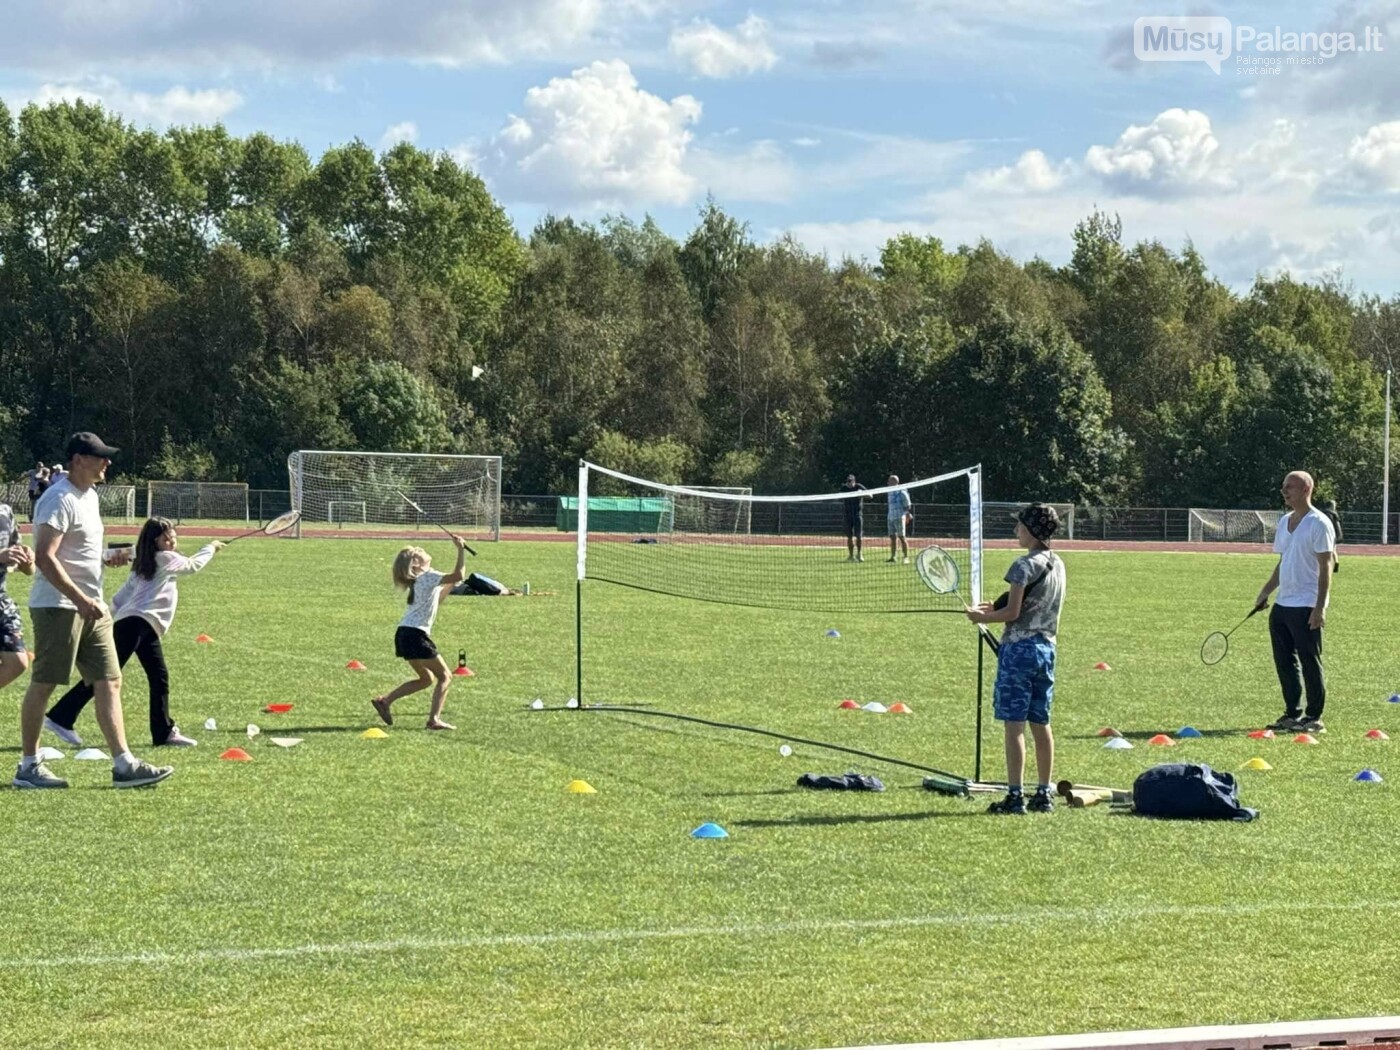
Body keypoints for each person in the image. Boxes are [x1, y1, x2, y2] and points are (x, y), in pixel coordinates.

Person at [12, 432, 172, 789]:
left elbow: (75, 553)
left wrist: (104, 559)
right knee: (45, 682)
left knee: (110, 680)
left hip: (91, 607)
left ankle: (124, 764)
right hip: (59, 606)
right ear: (78, 459)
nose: (107, 463)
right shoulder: (58, 499)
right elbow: (45, 558)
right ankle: (27, 766)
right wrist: (80, 600)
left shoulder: (90, 497)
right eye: (99, 456)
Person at [45, 518, 223, 748]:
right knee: (107, 676)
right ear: (154, 541)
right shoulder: (165, 558)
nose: (171, 541)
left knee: (157, 677)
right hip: (137, 626)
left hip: (138, 626)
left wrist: (108, 613)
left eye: (173, 536)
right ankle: (60, 717)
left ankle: (163, 733)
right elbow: (192, 565)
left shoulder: (145, 564)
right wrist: (211, 547)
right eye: (165, 538)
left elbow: (122, 597)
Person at [966, 503, 1066, 815]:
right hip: (1046, 650)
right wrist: (991, 607)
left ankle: (1014, 796)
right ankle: (1043, 793)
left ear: (1032, 531)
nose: (1015, 532)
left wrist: (979, 617)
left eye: (1020, 527)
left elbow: (1013, 613)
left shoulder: (1022, 566)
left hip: (1019, 652)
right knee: (1041, 722)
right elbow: (1023, 602)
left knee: (1014, 725)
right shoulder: (1059, 563)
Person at [1257, 471, 1334, 735]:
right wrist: (1266, 591)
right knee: (1285, 661)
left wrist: (1320, 606)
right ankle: (1292, 713)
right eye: (1283, 487)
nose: (1284, 491)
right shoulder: (1285, 522)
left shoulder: (1319, 523)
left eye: (1290, 486)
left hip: (1306, 604)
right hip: (1283, 605)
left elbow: (1326, 566)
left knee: (1310, 660)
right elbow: (1284, 562)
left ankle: (1314, 716)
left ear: (1306, 489)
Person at [372, 534, 468, 731]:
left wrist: (449, 585)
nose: (423, 550)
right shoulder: (427, 576)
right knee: (445, 677)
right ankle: (434, 720)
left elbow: (437, 600)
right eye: (419, 551)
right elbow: (459, 575)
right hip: (415, 635)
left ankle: (385, 701)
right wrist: (460, 549)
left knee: (426, 679)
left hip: (404, 634)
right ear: (415, 564)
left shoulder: (423, 579)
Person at [0, 497, 35, 694]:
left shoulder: (5, 511)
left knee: (18, 662)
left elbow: (26, 569)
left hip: (1, 599)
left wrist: (26, 560)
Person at [841, 474, 868, 561]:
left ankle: (859, 554)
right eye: (848, 481)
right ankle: (851, 556)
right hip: (847, 515)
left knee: (859, 536)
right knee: (849, 536)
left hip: (857, 515)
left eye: (851, 481)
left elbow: (870, 495)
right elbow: (838, 496)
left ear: (854, 481)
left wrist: (861, 493)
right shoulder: (844, 488)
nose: (849, 483)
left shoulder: (858, 486)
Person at [885, 474, 911, 564]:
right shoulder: (888, 491)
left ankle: (906, 557)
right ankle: (893, 556)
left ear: (894, 482)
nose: (888, 482)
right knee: (892, 537)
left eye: (889, 481)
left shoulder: (901, 491)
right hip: (890, 516)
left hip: (899, 516)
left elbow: (907, 505)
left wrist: (907, 514)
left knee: (902, 537)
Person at [1319, 499, 1342, 574]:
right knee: (1333, 549)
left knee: (1326, 550)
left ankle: (1326, 564)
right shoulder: (1335, 514)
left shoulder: (1325, 514)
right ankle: (1336, 563)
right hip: (1334, 534)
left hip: (1327, 533)